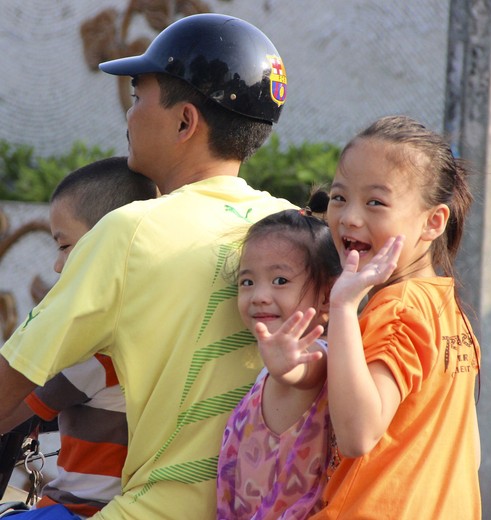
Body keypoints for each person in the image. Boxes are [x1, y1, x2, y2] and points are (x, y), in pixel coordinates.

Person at [0, 13, 294, 520]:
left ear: (185, 122)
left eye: (138, 98)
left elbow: (11, 386)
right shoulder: (290, 227)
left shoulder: (129, 231)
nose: (129, 116)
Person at [310, 115, 481, 519]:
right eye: (339, 197)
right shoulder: (447, 308)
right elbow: (469, 451)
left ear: (433, 222)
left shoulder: (398, 306)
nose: (350, 217)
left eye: (376, 202)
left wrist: (342, 307)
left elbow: (358, 434)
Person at [0, 157, 157, 519]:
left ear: (106, 242)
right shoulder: (152, 329)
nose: (57, 265)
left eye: (65, 246)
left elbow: (11, 408)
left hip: (78, 509)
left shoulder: (98, 351)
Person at [216, 191, 342, 520]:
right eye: (247, 281)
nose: (259, 296)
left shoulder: (318, 353)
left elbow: (307, 372)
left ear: (328, 295)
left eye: (280, 280)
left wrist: (289, 369)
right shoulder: (270, 364)